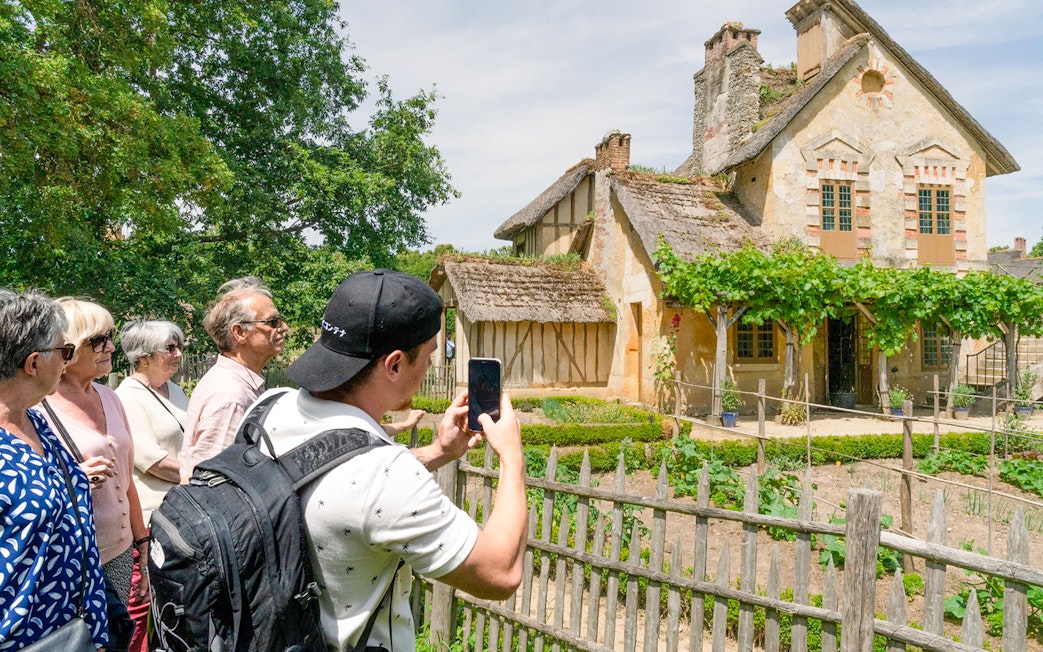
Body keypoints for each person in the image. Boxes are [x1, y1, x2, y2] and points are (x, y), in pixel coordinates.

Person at [251, 269, 527, 651]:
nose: (430, 366)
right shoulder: (385, 476)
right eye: (429, 355)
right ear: (394, 364)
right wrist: (513, 459)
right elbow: (501, 573)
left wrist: (439, 452)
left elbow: (329, 474)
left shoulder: (266, 408)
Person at [0, 289, 109, 650]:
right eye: (65, 352)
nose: (69, 360)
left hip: (72, 632)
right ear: (33, 363)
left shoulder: (35, 421)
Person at [43, 298, 147, 650]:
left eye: (111, 336)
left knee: (119, 636)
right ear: (67, 349)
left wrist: (141, 542)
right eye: (98, 340)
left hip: (119, 551)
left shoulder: (110, 396)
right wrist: (70, 478)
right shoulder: (37, 407)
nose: (111, 347)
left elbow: (127, 478)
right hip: (77, 560)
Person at [114, 320, 188, 652]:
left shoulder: (176, 390)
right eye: (170, 348)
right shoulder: (128, 397)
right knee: (142, 605)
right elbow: (152, 460)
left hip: (181, 511)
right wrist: (202, 475)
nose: (179, 354)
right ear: (143, 357)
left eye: (179, 346)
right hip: (149, 519)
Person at [179, 276, 287, 480]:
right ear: (239, 332)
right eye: (272, 322)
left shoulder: (238, 382)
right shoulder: (230, 395)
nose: (283, 328)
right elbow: (210, 481)